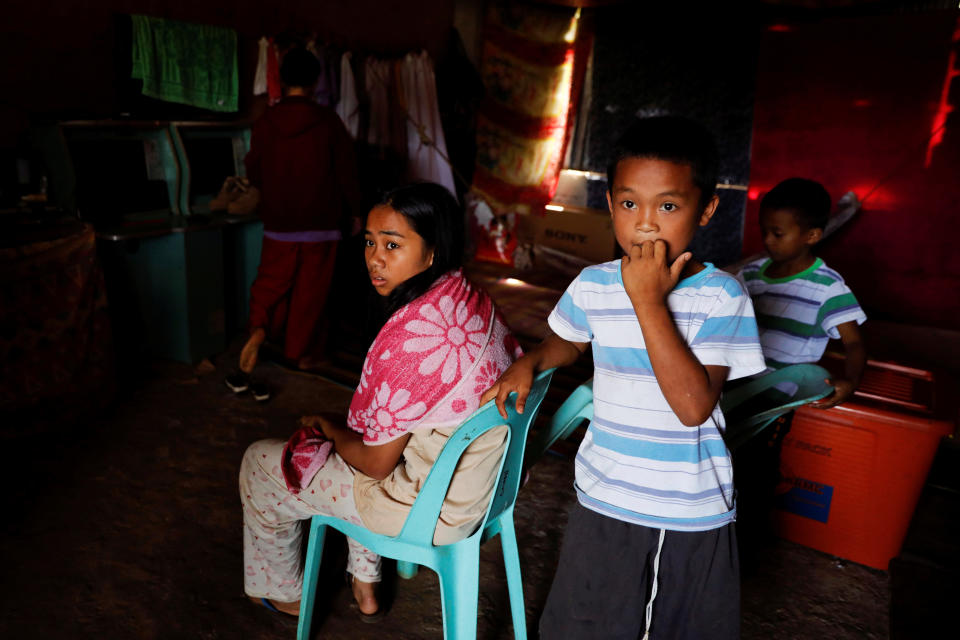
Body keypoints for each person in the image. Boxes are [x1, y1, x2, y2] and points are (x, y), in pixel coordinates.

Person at [482, 116, 766, 640]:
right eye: (630, 204)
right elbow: (571, 339)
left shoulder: (721, 295)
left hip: (677, 509)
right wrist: (533, 360)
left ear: (705, 210)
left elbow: (692, 406)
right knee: (587, 622)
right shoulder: (594, 283)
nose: (646, 223)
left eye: (669, 206)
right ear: (610, 204)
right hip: (601, 491)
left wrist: (647, 299)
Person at [240, 183, 523, 621]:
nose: (375, 257)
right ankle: (365, 583)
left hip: (429, 511)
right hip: (485, 488)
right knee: (368, 434)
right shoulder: (471, 300)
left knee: (262, 463)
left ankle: (285, 594)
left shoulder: (410, 343)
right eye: (370, 241)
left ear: (432, 251)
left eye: (393, 244)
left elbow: (375, 464)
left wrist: (333, 429)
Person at [733, 177, 867, 567]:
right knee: (723, 459)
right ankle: (718, 535)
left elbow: (854, 344)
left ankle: (745, 550)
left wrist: (851, 381)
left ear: (811, 235)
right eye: (764, 231)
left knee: (755, 471)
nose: (769, 241)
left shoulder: (827, 288)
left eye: (778, 233)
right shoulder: (753, 272)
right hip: (736, 384)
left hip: (776, 400)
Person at [226, 46, 362, 400]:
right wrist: (357, 211)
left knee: (271, 284)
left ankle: (258, 330)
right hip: (321, 224)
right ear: (316, 81)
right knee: (311, 293)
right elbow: (347, 172)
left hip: (279, 223)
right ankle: (301, 355)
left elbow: (254, 169)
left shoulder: (266, 122)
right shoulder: (329, 122)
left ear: (282, 81)